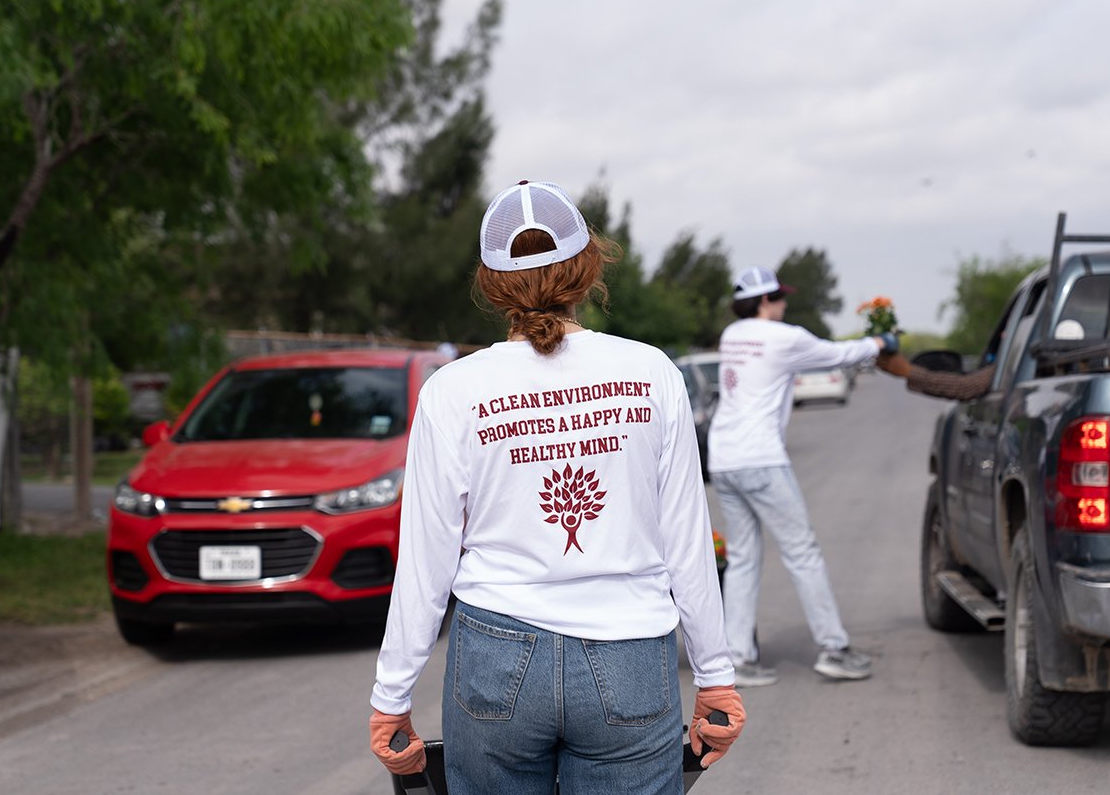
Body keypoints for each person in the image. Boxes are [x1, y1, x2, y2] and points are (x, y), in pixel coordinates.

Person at [368, 180, 745, 795]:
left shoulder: (452, 390)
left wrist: (392, 695)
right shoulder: (651, 372)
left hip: (495, 659)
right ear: (588, 266)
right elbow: (687, 541)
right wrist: (716, 674)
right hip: (629, 656)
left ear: (491, 285)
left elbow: (425, 560)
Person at [706, 266, 898, 686]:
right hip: (761, 458)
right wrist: (880, 341)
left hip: (724, 459)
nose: (784, 303)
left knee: (742, 558)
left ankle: (737, 657)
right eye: (777, 297)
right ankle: (833, 648)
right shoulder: (784, 337)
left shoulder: (732, 336)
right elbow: (839, 354)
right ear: (763, 301)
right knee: (802, 551)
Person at [876, 353, 995, 400]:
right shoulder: (1009, 369)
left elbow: (966, 387)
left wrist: (909, 371)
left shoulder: (1010, 368)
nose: (1003, 334)